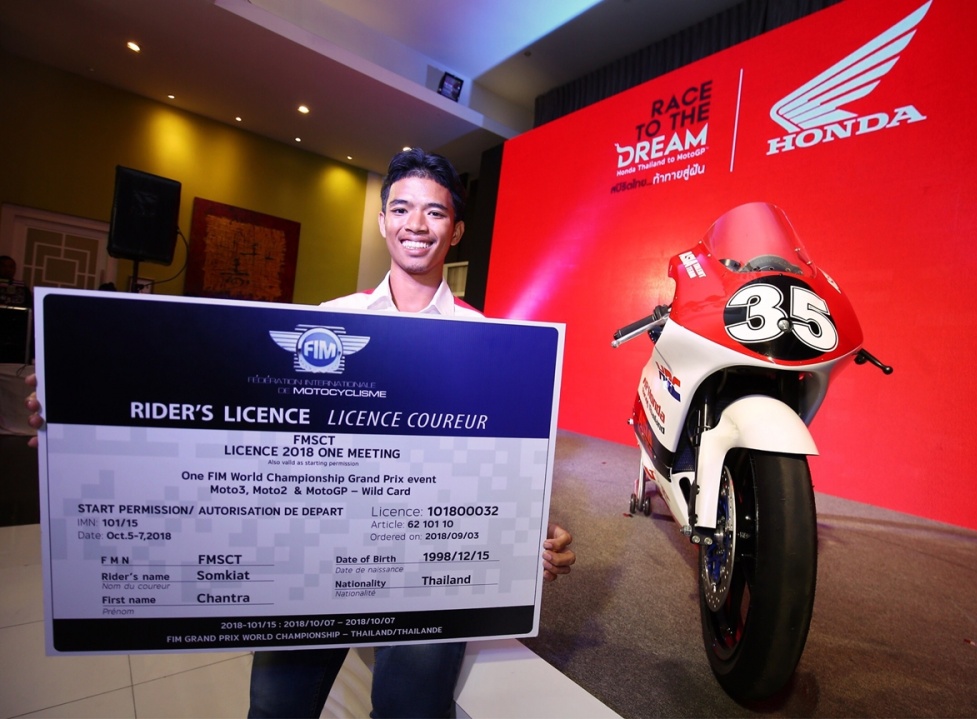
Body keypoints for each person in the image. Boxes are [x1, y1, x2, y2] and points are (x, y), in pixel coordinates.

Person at [25, 148, 575, 718]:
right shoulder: (329, 319)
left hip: (422, 563)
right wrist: (78, 422)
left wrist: (530, 529)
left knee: (409, 711)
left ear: (456, 230)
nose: (416, 224)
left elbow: (495, 457)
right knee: (274, 709)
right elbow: (226, 412)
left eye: (434, 212)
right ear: (382, 221)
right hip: (313, 557)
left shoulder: (488, 340)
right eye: (401, 209)